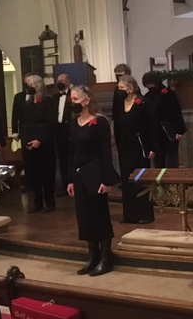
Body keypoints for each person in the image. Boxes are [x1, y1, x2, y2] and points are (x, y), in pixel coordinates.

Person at [67, 85, 117, 277]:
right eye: (71, 99)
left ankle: (105, 257)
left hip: (95, 174)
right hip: (79, 175)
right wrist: (71, 179)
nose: (73, 103)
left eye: (76, 99)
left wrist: (106, 179)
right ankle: (92, 256)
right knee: (85, 216)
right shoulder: (75, 123)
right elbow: (72, 154)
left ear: (87, 101)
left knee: (99, 215)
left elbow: (106, 152)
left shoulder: (100, 122)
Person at [115, 75, 156, 224]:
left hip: (139, 146)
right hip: (125, 146)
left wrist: (151, 147)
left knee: (140, 179)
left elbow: (151, 126)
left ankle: (144, 214)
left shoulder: (143, 103)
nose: (119, 90)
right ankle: (129, 214)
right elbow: (118, 124)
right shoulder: (120, 103)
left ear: (131, 89)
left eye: (122, 88)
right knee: (127, 180)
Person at [19, 75, 57, 213]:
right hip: (30, 143)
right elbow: (25, 124)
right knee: (34, 175)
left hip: (44, 144)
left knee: (46, 174)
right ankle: (37, 202)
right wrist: (27, 141)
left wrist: (39, 140)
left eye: (30, 84)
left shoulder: (48, 101)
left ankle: (50, 202)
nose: (28, 86)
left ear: (37, 85)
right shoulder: (28, 103)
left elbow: (50, 123)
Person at [142, 71, 186, 168]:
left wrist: (179, 130)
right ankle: (161, 181)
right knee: (158, 160)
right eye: (148, 85)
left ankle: (173, 181)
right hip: (155, 132)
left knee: (172, 159)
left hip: (169, 130)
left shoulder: (169, 94)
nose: (150, 87)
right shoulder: (147, 97)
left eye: (151, 84)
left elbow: (176, 112)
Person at [54, 73, 73, 196]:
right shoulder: (55, 97)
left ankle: (73, 183)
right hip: (59, 131)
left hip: (70, 129)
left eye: (62, 80)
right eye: (58, 80)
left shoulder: (73, 94)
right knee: (62, 159)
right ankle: (65, 185)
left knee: (72, 157)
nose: (59, 82)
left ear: (67, 81)